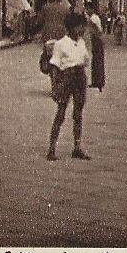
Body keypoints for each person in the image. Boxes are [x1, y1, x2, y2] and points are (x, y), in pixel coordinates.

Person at [47, 12, 92, 161]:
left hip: (79, 78)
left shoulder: (81, 43)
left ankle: (77, 147)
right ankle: (52, 148)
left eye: (83, 27)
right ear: (71, 28)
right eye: (80, 27)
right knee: (60, 113)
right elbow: (54, 66)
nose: (82, 30)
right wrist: (55, 86)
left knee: (78, 114)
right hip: (67, 77)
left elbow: (85, 61)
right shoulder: (60, 44)